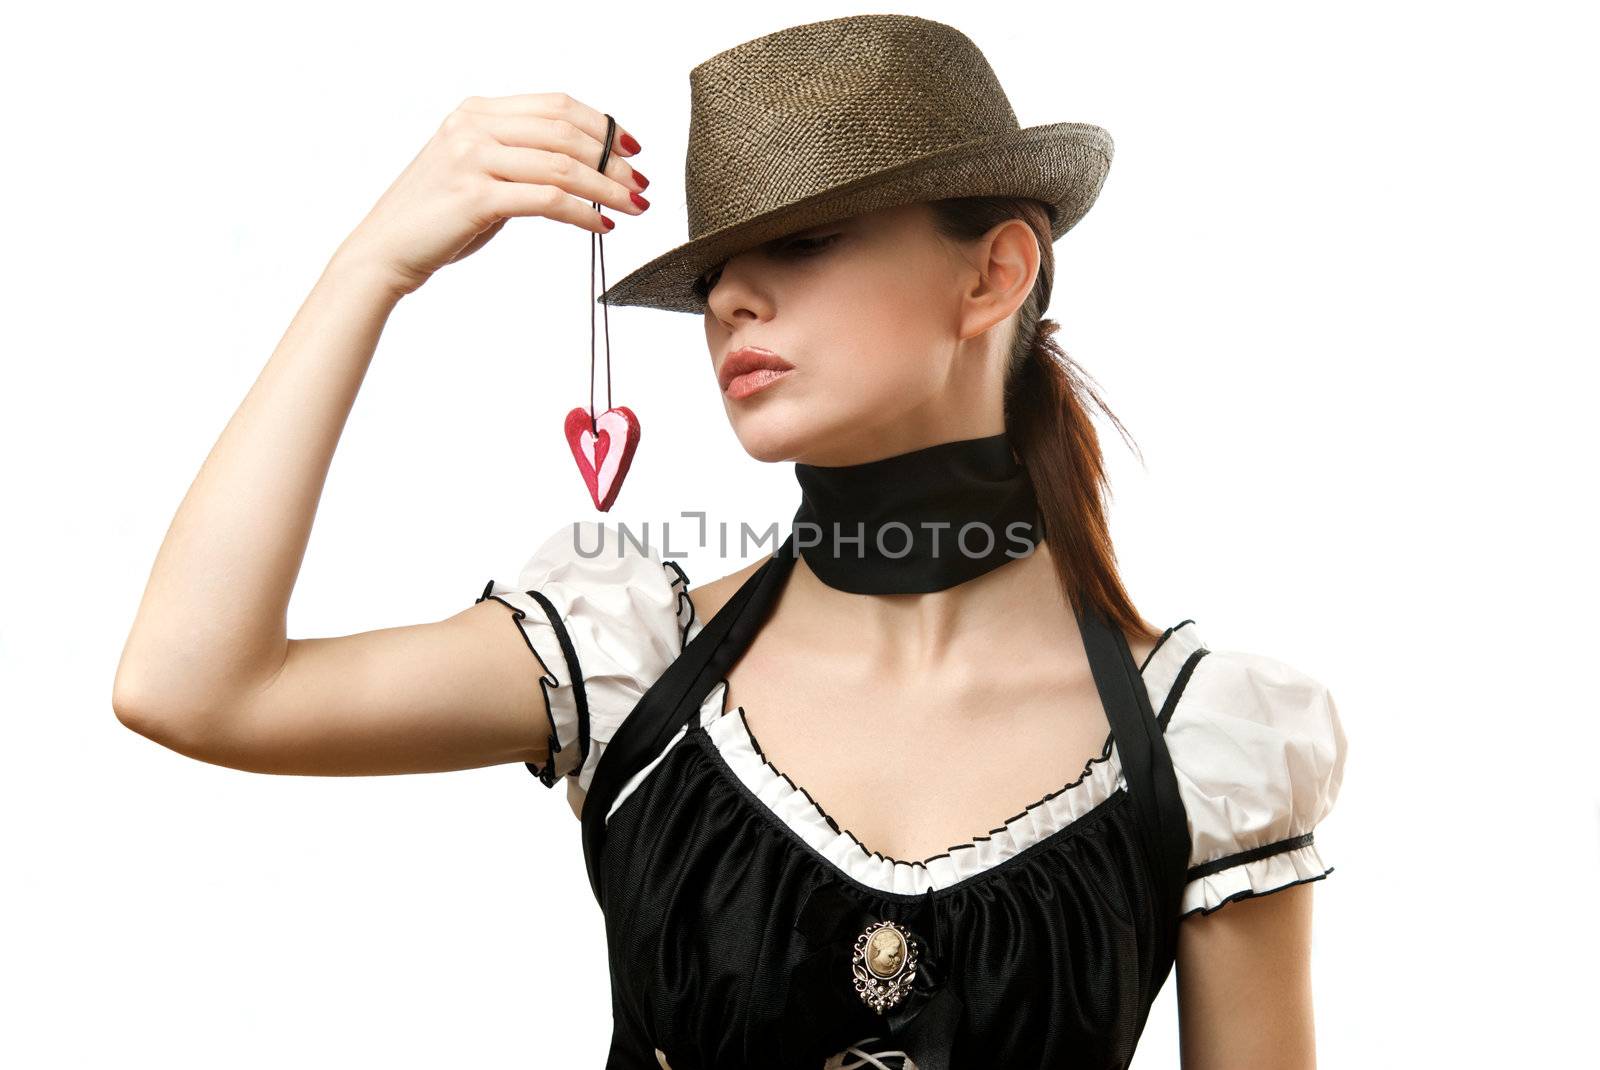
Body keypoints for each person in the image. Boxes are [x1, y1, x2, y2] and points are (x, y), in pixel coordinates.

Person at [113, 14, 1347, 1070]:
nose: (728, 301)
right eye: (713, 270)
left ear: (993, 274)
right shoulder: (632, 664)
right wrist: (371, 265)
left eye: (803, 241)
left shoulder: (1206, 739)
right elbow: (192, 685)